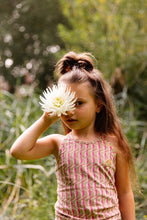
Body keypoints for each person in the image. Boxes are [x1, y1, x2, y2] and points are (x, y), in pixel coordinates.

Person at [11, 51, 136, 219]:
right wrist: (46, 120)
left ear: (98, 105)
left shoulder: (113, 143)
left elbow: (125, 192)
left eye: (79, 103)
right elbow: (18, 151)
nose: (70, 110)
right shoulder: (58, 143)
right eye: (66, 103)